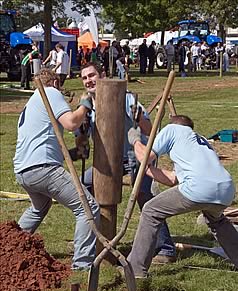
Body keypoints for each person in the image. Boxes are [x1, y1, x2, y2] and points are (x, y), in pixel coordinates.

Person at [75, 62, 176, 263]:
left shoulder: (126, 97)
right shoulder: (86, 106)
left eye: (92, 75)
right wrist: (83, 137)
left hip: (136, 155)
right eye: (85, 78)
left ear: (102, 75)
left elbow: (148, 130)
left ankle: (166, 249)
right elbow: (80, 138)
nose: (89, 81)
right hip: (108, 159)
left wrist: (139, 120)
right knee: (83, 185)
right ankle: (96, 235)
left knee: (144, 196)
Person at [127, 115, 238, 278]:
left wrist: (135, 140)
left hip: (199, 187)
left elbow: (145, 157)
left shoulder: (172, 129)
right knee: (218, 221)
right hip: (226, 189)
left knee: (151, 210)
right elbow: (173, 179)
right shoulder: (201, 142)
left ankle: (135, 270)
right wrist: (147, 170)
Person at [13, 68, 100, 271]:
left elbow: (46, 145)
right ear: (54, 83)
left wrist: (76, 153)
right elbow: (70, 123)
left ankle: (12, 247)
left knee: (39, 207)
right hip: (42, 168)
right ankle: (82, 266)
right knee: (87, 208)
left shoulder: (32, 104)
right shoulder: (50, 93)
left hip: (25, 171)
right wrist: (84, 105)